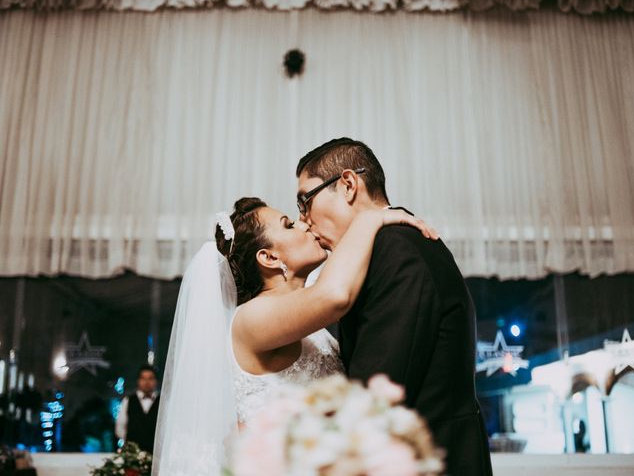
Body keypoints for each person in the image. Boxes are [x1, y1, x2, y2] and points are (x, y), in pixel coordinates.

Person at [152, 198, 436, 475]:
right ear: (269, 257)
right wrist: (369, 218)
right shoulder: (250, 318)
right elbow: (335, 295)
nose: (303, 224)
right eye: (288, 225)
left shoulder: (305, 322)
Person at [296, 137, 493, 476]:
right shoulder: (386, 247)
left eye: (305, 201)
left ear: (347, 184)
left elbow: (378, 389)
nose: (303, 221)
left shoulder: (397, 249)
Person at [115, 365, 159, 453]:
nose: (147, 382)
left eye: (150, 378)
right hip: (133, 455)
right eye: (143, 378)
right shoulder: (128, 400)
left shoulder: (163, 402)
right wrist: (131, 441)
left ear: (156, 381)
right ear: (138, 381)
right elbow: (120, 427)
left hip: (156, 453)